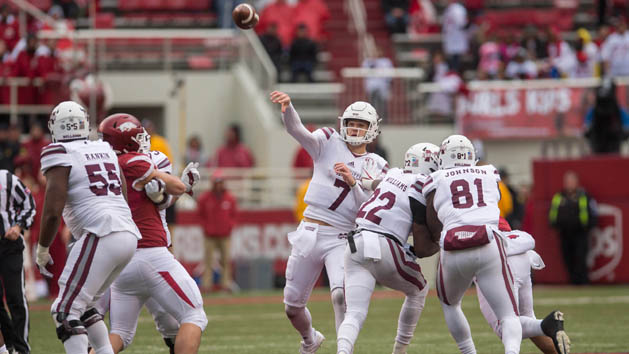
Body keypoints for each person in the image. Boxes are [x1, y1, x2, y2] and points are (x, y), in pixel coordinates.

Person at [270, 90, 388, 353]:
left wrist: (354, 183)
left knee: (340, 295)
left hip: (342, 236)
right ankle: (310, 340)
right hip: (310, 230)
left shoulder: (378, 164)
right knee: (292, 306)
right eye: (351, 123)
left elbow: (366, 208)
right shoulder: (327, 141)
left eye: (361, 125)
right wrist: (288, 108)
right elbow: (297, 130)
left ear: (372, 130)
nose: (355, 129)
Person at [35, 101, 141, 354]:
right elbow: (123, 197)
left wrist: (43, 248)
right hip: (126, 233)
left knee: (63, 311)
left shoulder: (58, 151)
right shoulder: (103, 148)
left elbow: (52, 211)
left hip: (102, 232)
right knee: (87, 307)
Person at [99, 114, 206, 354]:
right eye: (137, 135)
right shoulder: (137, 161)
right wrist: (182, 185)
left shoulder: (104, 166)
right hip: (151, 252)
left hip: (121, 260)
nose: (144, 138)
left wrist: (162, 194)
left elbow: (158, 200)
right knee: (194, 315)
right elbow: (172, 190)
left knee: (120, 334)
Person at [422, 134, 522, 354]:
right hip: (488, 241)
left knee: (450, 304)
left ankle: (469, 352)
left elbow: (431, 218)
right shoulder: (489, 171)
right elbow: (494, 201)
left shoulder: (437, 177)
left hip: (453, 245)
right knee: (508, 315)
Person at [336, 142, 439, 354]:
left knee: (354, 312)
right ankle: (399, 351)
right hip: (383, 244)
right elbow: (421, 243)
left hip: (356, 242)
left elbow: (373, 183)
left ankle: (343, 351)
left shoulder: (393, 174)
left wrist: (358, 182)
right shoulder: (422, 182)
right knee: (419, 289)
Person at [477, 218, 571, 354]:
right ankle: (550, 335)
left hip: (496, 255)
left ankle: (546, 324)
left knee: (505, 326)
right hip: (520, 253)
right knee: (527, 319)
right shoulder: (487, 207)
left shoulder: (461, 214)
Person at [0, 169, 35, 354]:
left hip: (9, 245)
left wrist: (18, 226)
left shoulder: (7, 179)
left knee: (16, 297)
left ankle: (22, 349)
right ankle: (9, 343)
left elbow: (30, 204)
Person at [548, 171, 597, 285]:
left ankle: (583, 282)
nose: (569, 184)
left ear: (576, 182)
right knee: (567, 258)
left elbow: (593, 212)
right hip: (564, 233)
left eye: (571, 181)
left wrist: (588, 226)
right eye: (567, 181)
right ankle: (573, 282)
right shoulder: (559, 197)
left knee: (580, 257)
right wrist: (554, 225)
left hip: (580, 233)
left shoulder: (584, 197)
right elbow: (553, 213)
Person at [197, 171, 238, 292]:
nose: (219, 185)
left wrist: (229, 226)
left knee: (225, 260)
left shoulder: (229, 198)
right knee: (208, 261)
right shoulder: (205, 198)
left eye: (220, 182)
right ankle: (207, 285)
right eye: (216, 182)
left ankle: (225, 285)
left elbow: (234, 215)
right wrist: (206, 227)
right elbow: (200, 214)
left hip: (225, 235)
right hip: (209, 235)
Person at [585, 78, 629, 154]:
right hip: (598, 147)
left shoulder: (620, 111)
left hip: (614, 147)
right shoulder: (593, 111)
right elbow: (587, 129)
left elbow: (626, 128)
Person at [362, 47, 393, 121]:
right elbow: (364, 73)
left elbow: (389, 73)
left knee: (382, 104)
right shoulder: (367, 61)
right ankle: (372, 119)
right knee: (372, 104)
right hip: (372, 86)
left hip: (383, 86)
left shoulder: (386, 61)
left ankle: (384, 119)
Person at [441, 0, 468, 71]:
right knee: (452, 59)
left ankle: (456, 74)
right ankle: (453, 74)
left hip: (456, 37)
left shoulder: (457, 9)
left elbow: (462, 23)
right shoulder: (450, 8)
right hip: (452, 37)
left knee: (456, 58)